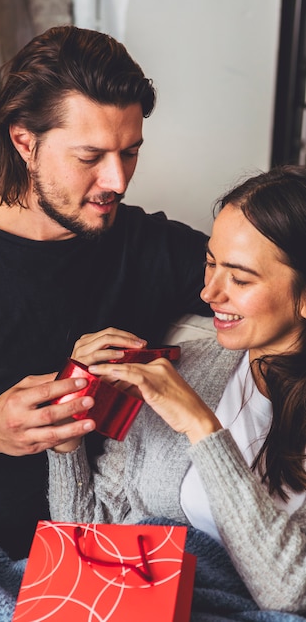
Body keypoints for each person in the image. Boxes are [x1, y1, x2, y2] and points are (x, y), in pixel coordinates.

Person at [0, 25, 210, 560]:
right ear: (24, 141)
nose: (118, 180)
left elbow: (270, 285)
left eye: (130, 152)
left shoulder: (149, 247)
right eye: (90, 157)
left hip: (79, 554)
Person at [47, 164, 306, 613]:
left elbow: (289, 593)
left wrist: (202, 429)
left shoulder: (182, 399)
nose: (210, 293)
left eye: (240, 279)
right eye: (210, 263)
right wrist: (67, 439)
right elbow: (84, 544)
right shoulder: (184, 370)